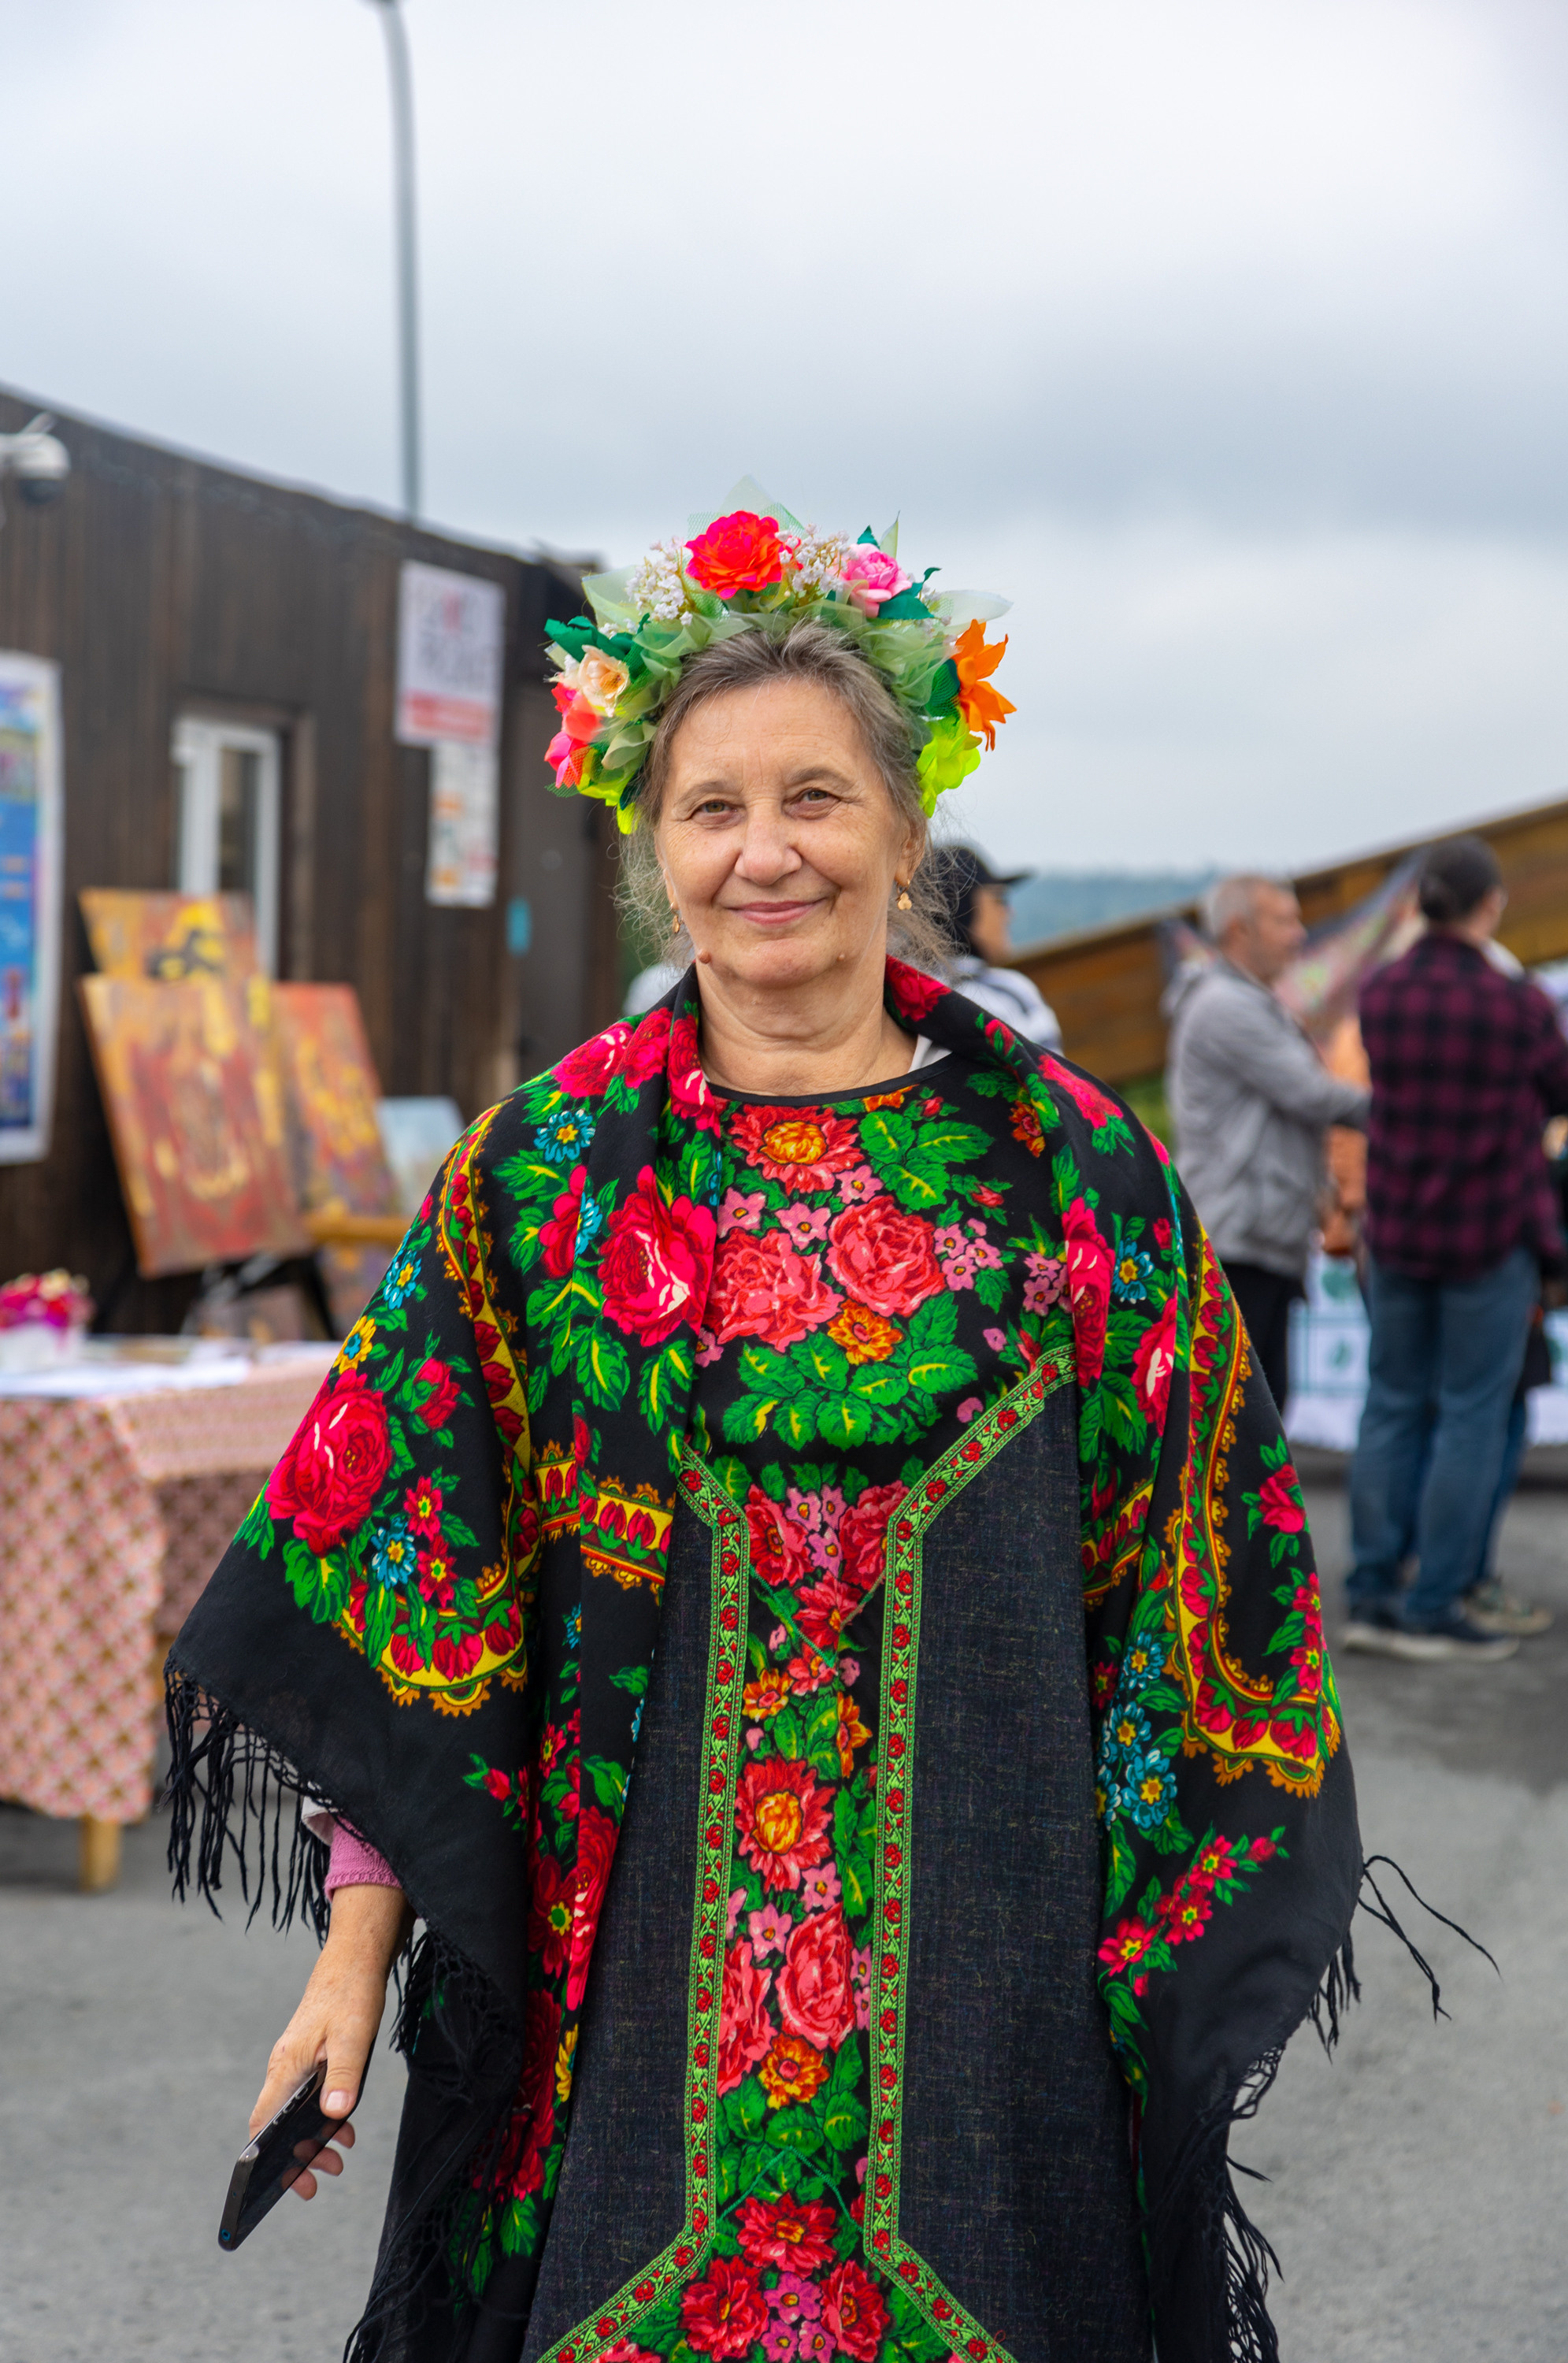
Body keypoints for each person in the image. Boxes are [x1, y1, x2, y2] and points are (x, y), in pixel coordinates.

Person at [168, 498, 1361, 2363]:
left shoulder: (1076, 1179)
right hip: (616, 2012)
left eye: (813, 797)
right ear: (656, 851)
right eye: (710, 808)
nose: (763, 852)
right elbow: (423, 1571)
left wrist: (1156, 1988)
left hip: (992, 2019)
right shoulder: (544, 1178)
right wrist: (351, 1952)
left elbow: (1193, 1596)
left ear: (905, 833)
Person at [1344, 835, 1568, 1660]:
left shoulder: (1380, 993)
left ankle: (1371, 1591)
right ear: (1488, 906)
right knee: (1471, 1415)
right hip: (1487, 1236)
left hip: (1399, 1230)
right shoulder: (1515, 1005)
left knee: (1391, 1402)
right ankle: (1436, 1598)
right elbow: (1564, 1087)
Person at [1166, 875, 1370, 1407]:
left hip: (1256, 1234)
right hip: (1239, 1239)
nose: (1299, 935)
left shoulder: (1244, 1000)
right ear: (1239, 929)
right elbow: (1312, 1094)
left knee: (1258, 1406)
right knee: (1246, 1416)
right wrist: (1410, 1111)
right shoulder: (1226, 1006)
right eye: (1284, 921)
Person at [933, 843, 1062, 1046]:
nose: (1009, 913)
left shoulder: (898, 993)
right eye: (999, 899)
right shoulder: (1008, 994)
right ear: (963, 907)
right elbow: (1054, 1076)